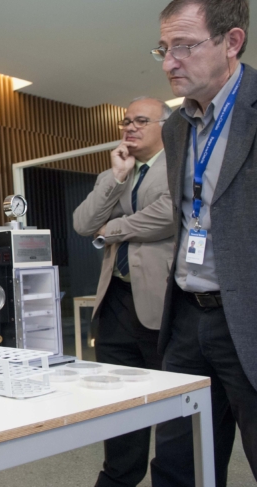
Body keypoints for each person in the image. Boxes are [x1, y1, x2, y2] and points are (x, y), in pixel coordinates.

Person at [150, 0, 257, 485]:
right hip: (188, 319)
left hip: (249, 320)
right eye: (164, 49)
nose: (170, 62)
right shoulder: (175, 128)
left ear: (231, 42)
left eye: (185, 47)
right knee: (178, 467)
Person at [73, 97, 174, 487]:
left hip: (162, 304)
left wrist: (113, 230)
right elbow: (83, 223)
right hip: (114, 301)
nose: (130, 128)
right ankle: (118, 477)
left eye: (141, 121)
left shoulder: (177, 167)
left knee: (168, 407)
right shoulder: (113, 173)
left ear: (165, 125)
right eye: (126, 121)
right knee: (119, 405)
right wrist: (116, 180)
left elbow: (168, 215)